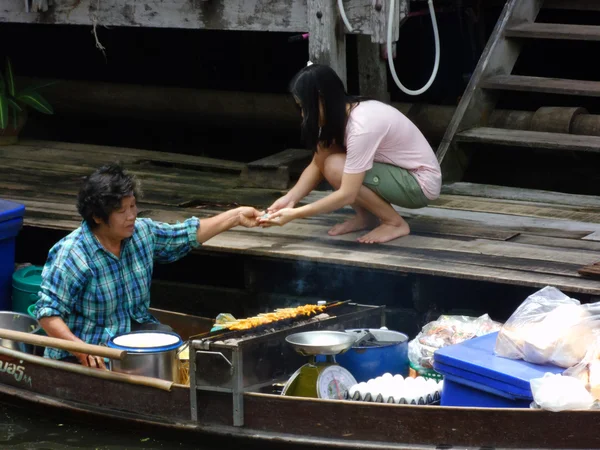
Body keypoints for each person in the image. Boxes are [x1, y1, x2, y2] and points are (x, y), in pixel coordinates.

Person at [33, 163, 263, 369]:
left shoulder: (142, 233)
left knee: (173, 346)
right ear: (97, 217)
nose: (131, 215)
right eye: (122, 211)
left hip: (131, 336)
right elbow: (47, 313)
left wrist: (236, 216)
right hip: (89, 349)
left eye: (133, 206)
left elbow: (185, 235)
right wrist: (80, 349)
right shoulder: (72, 254)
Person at [259, 63, 442, 244]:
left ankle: (394, 223)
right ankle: (367, 218)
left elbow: (347, 194)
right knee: (326, 155)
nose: (303, 115)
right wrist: (289, 200)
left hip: (419, 183)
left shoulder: (360, 126)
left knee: (335, 166)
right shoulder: (339, 114)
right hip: (398, 173)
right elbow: (317, 163)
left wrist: (296, 213)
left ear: (322, 99)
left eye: (305, 108)